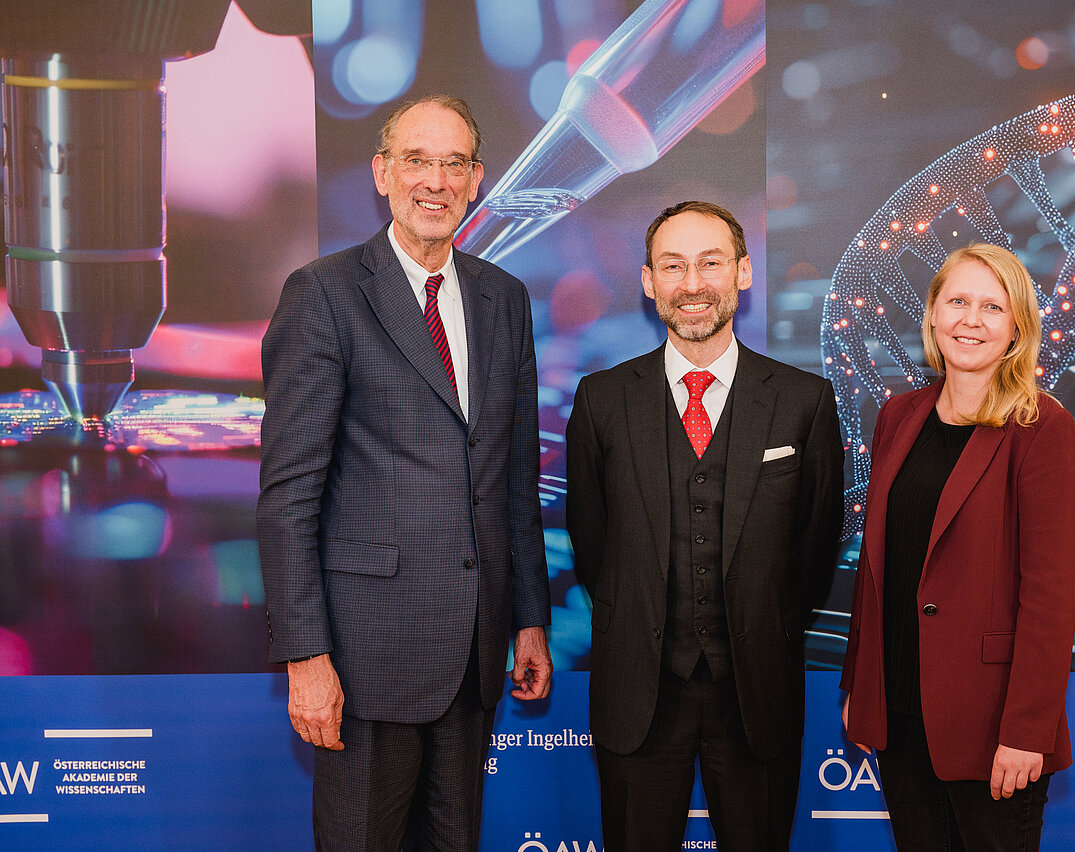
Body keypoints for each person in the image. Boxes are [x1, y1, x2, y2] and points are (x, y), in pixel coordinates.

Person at [257, 94, 552, 851]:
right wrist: (305, 655)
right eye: (417, 160)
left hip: (476, 654)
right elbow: (289, 494)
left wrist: (529, 617)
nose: (436, 180)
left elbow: (515, 478)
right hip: (363, 661)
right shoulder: (324, 294)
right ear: (383, 174)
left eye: (454, 163)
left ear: (478, 179)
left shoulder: (505, 299)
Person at [566, 200, 844, 850]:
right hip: (637, 694)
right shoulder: (601, 401)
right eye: (673, 265)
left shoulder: (805, 403)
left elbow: (814, 548)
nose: (693, 284)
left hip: (759, 697)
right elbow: (594, 543)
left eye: (711, 262)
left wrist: (761, 623)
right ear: (648, 281)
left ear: (743, 272)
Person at [840, 243, 1075, 850]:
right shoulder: (899, 415)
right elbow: (879, 568)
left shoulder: (1042, 427)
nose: (971, 320)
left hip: (993, 723)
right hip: (898, 711)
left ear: (1017, 329)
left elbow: (1051, 596)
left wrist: (1027, 729)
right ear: (931, 315)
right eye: (957, 301)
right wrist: (861, 688)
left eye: (992, 307)